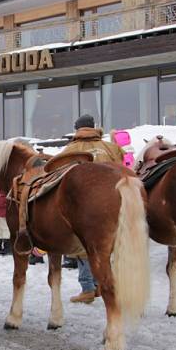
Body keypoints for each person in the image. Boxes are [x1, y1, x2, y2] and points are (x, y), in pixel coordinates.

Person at [61, 115, 124, 304]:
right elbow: (121, 169)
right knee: (106, 246)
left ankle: (88, 288)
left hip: (84, 207)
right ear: (93, 127)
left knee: (84, 246)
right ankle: (102, 284)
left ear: (77, 129)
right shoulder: (111, 148)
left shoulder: (70, 150)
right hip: (113, 203)